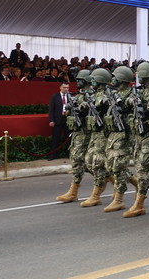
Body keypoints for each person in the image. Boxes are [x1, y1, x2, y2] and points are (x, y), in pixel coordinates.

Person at [123, 61, 149, 218]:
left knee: (142, 171)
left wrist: (147, 120)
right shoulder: (139, 93)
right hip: (138, 137)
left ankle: (139, 204)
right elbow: (126, 107)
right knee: (143, 169)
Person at [102, 66, 136, 212]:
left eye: (115, 77)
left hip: (124, 136)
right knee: (110, 166)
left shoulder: (131, 94)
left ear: (122, 79)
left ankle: (119, 199)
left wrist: (124, 102)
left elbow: (135, 109)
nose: (113, 79)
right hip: (113, 136)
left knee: (118, 167)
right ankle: (138, 184)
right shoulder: (113, 93)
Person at [56, 70, 92, 203]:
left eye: (79, 80)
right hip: (78, 133)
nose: (77, 82)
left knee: (92, 165)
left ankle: (117, 187)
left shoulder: (92, 97)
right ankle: (73, 191)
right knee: (78, 162)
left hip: (88, 135)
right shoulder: (77, 96)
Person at [81, 68, 113, 207]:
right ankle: (120, 180)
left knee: (97, 163)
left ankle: (96, 195)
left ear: (100, 80)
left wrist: (100, 102)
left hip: (104, 133)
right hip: (94, 132)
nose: (91, 81)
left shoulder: (108, 94)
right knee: (88, 162)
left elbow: (108, 102)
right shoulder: (94, 94)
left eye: (94, 79)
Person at [48, 82, 71, 160]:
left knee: (68, 138)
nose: (66, 89)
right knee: (55, 138)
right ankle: (53, 155)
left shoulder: (70, 96)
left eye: (67, 88)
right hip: (57, 120)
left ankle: (69, 154)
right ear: (60, 88)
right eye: (64, 87)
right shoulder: (55, 96)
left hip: (68, 120)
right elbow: (51, 109)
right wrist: (51, 120)